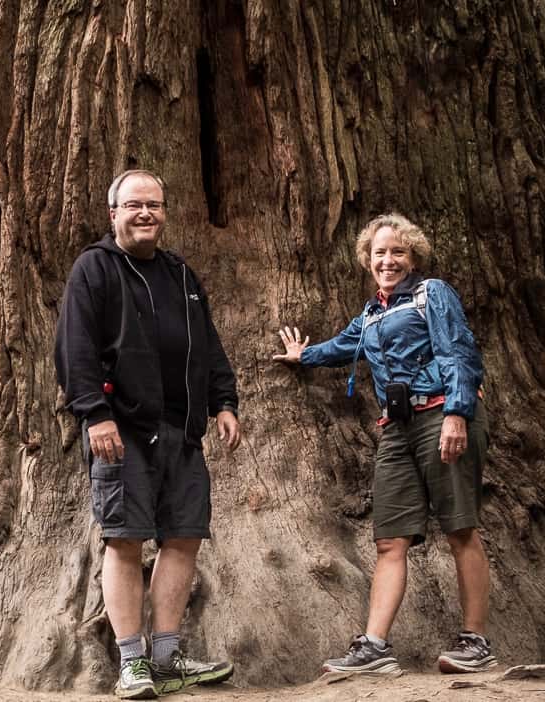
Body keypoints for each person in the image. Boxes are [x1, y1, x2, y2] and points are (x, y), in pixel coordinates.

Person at [272, 213, 496, 675]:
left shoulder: (431, 294)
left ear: (413, 256)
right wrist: (303, 356)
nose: (388, 260)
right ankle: (374, 647)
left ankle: (476, 642)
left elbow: (457, 350)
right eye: (379, 253)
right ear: (367, 260)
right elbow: (342, 347)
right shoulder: (373, 312)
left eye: (397, 252)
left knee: (459, 527)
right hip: (397, 427)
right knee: (390, 539)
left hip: (441, 413)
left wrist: (457, 411)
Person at [55, 169, 242, 699]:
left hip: (182, 431)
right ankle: (132, 663)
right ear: (113, 213)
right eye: (134, 205)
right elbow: (75, 348)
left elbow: (207, 345)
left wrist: (223, 402)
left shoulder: (180, 273)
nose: (145, 214)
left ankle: (167, 657)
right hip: (123, 431)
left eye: (154, 205)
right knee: (125, 539)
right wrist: (95, 413)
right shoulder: (94, 268)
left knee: (183, 538)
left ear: (164, 212)